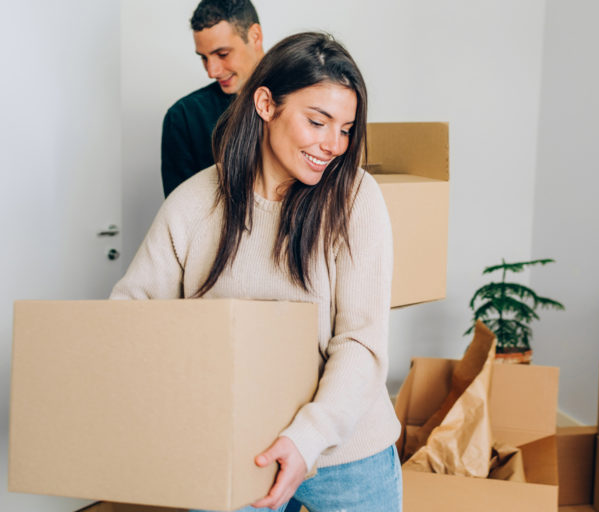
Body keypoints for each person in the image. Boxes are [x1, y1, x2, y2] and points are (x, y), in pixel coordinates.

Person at [112, 32, 402, 512]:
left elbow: (361, 342)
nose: (334, 145)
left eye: (347, 129)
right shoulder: (193, 202)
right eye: (317, 121)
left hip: (345, 454)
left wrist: (307, 437)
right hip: (236, 451)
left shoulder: (355, 197)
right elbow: (131, 318)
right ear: (266, 104)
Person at [161, 0, 265, 197]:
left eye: (222, 54)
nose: (211, 71)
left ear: (255, 36)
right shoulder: (183, 117)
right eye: (204, 57)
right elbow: (181, 215)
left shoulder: (301, 95)